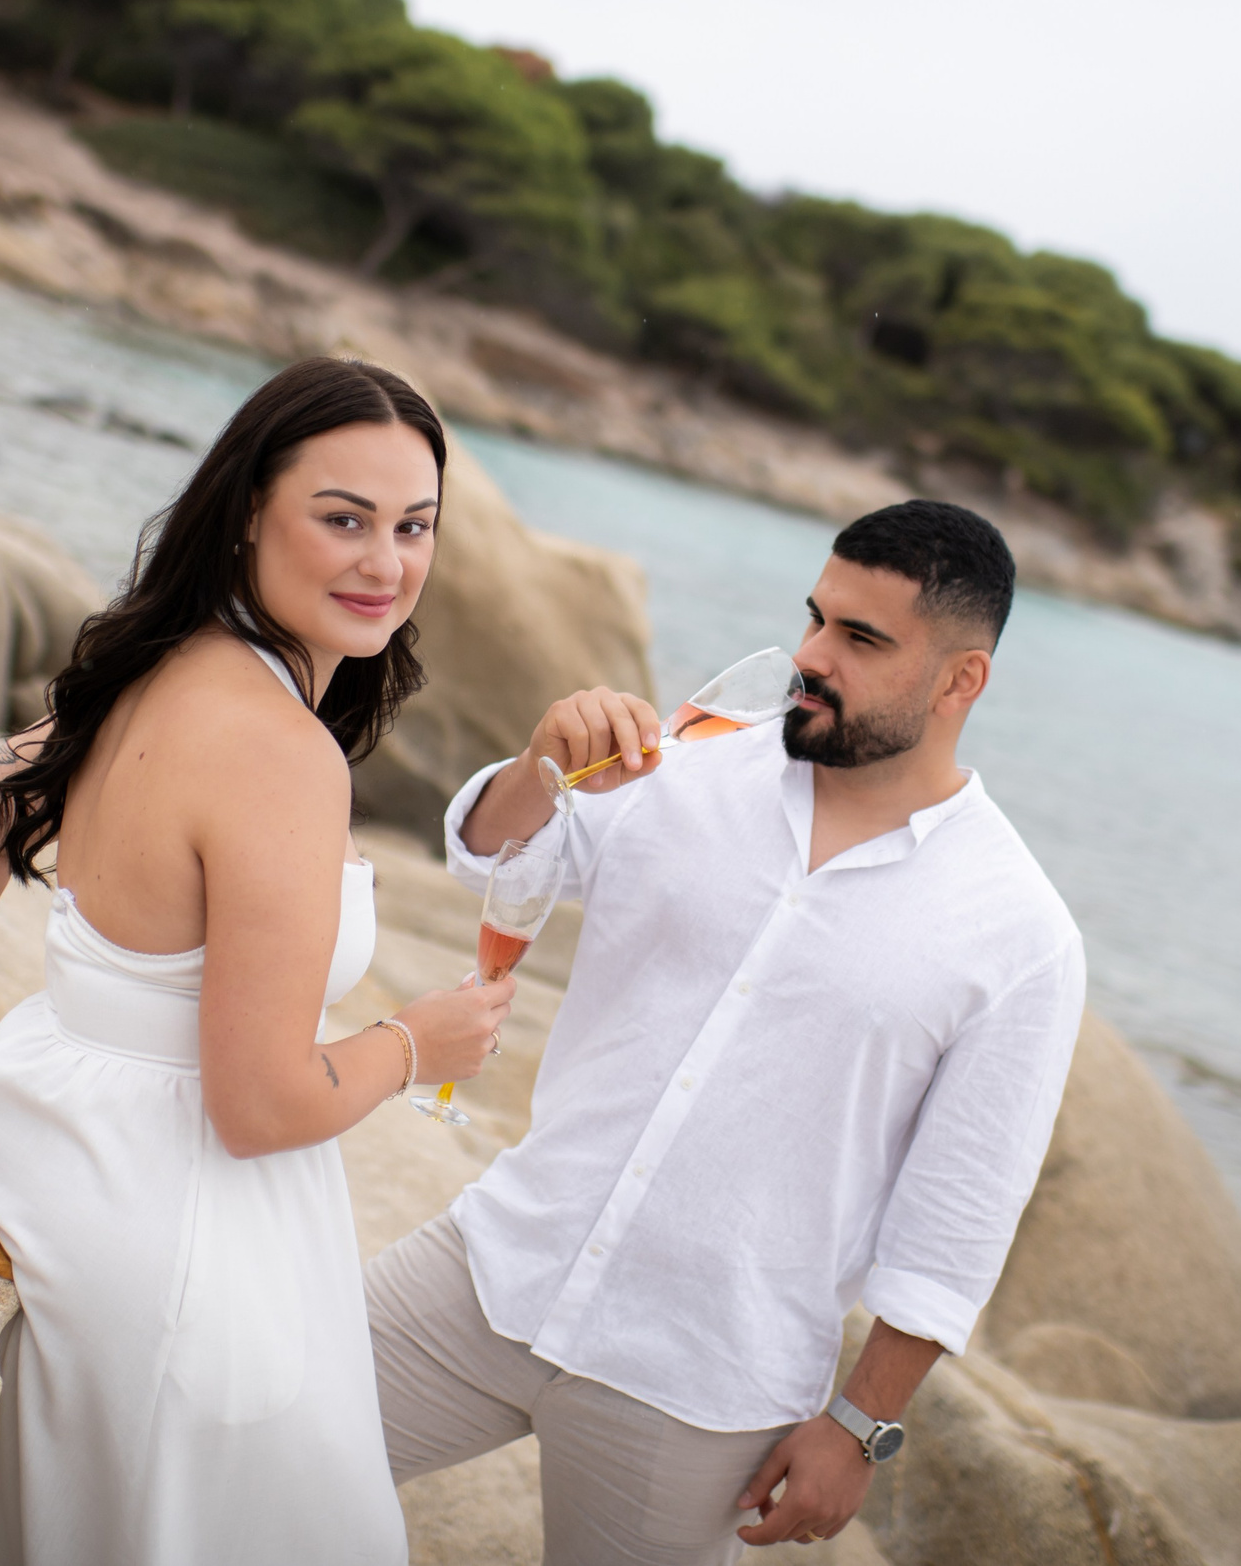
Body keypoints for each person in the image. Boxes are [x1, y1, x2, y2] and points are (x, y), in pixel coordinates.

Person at [0, 357, 512, 1565]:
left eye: (413, 525)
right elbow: (260, 1103)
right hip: (169, 1219)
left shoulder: (154, 663)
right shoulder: (281, 750)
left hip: (34, 1138)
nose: (386, 563)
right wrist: (412, 1044)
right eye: (343, 519)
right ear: (248, 514)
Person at [366, 499, 1086, 1563]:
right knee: (231, 1438)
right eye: (815, 618)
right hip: (494, 1268)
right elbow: (490, 856)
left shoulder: (1021, 934)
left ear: (959, 680)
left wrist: (860, 1423)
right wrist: (540, 765)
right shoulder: (688, 761)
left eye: (860, 638)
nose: (811, 656)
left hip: (700, 1385)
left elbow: (959, 1216)